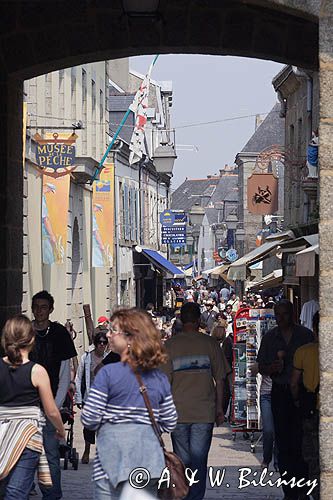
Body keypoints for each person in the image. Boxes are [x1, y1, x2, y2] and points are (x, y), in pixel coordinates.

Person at [81, 309, 177, 499]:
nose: (107, 335)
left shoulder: (107, 374)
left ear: (130, 338)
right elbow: (170, 422)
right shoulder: (159, 377)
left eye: (113, 330)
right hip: (148, 460)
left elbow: (89, 418)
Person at [162, 302, 227, 500]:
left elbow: (163, 384)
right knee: (199, 461)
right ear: (199, 320)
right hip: (203, 412)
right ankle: (195, 497)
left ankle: (183, 496)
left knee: (182, 461)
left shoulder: (170, 346)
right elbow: (221, 379)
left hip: (178, 412)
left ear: (181, 319)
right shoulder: (210, 344)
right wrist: (219, 408)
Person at [0, 315, 65, 500]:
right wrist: (60, 430)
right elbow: (51, 410)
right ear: (32, 339)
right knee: (16, 492)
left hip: (1, 433)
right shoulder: (37, 371)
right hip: (27, 437)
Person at [257, 300, 313, 500]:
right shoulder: (270, 338)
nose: (281, 319)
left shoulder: (305, 336)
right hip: (280, 391)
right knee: (283, 441)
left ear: (293, 313)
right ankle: (289, 489)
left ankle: (303, 488)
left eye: (285, 314)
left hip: (303, 394)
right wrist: (270, 368)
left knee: (302, 441)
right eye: (278, 315)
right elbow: (260, 365)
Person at [29, 290, 77, 500]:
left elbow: (65, 372)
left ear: (50, 309)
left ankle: (52, 494)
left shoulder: (59, 333)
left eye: (43, 307)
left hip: (50, 403)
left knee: (49, 455)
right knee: (25, 452)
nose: (39, 311)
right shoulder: (25, 332)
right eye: (36, 307)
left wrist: (55, 405)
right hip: (27, 403)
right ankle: (25, 488)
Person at [290, 311, 320, 500]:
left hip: (311, 410)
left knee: (312, 457)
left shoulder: (304, 351)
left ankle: (316, 492)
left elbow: (294, 383)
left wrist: (297, 401)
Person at [75, 329, 109, 464]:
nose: (101, 345)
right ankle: (87, 450)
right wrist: (78, 397)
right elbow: (79, 377)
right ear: (95, 343)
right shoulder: (86, 358)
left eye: (104, 342)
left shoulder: (109, 357)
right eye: (99, 342)